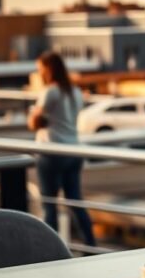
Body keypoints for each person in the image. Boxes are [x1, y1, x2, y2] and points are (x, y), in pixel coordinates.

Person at [27, 51, 96, 246]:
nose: (39, 73)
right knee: (75, 202)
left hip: (52, 152)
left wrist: (34, 115)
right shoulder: (75, 91)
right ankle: (91, 245)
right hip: (73, 152)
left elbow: (33, 123)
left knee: (49, 205)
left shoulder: (50, 92)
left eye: (40, 69)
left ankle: (52, 250)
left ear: (48, 69)